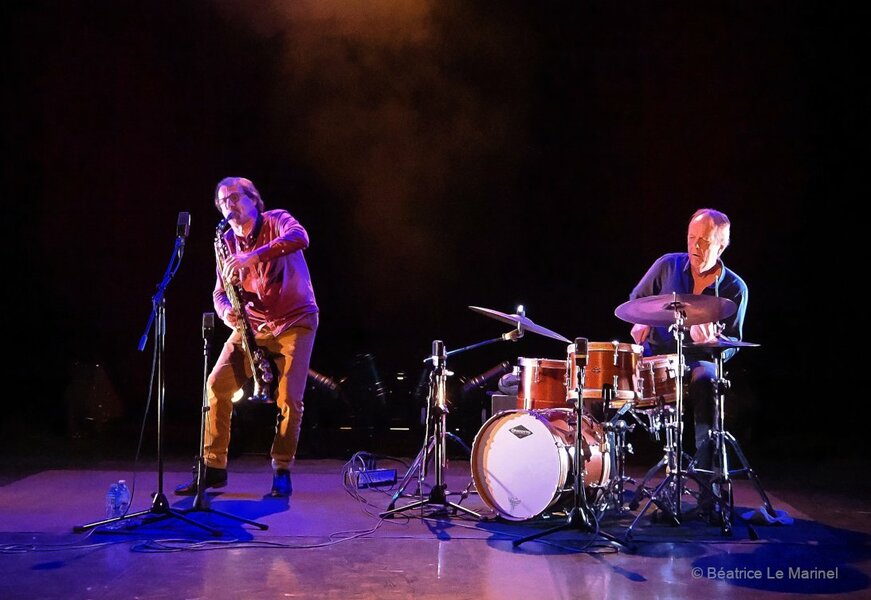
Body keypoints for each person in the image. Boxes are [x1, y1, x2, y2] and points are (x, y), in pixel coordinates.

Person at [175, 177, 319, 498]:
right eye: (223, 201)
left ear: (254, 199)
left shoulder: (277, 220)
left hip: (295, 319)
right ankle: (213, 468)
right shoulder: (224, 242)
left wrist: (254, 256)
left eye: (235, 197)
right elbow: (219, 293)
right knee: (216, 385)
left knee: (289, 399)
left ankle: (282, 468)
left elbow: (300, 237)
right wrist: (228, 313)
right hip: (251, 325)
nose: (230, 205)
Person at [628, 208, 747, 516]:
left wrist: (713, 343)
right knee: (602, 381)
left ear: (721, 245)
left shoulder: (735, 288)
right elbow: (635, 304)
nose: (695, 247)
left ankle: (707, 487)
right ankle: (599, 484)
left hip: (699, 361)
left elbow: (733, 344)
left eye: (704, 241)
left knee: (706, 381)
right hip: (657, 357)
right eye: (691, 238)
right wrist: (639, 323)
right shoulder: (667, 266)